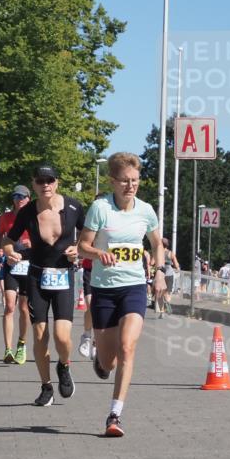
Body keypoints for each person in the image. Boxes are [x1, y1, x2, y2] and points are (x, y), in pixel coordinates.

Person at [77, 152, 165, 437]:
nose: (131, 186)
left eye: (135, 181)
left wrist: (160, 271)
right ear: (113, 181)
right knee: (108, 362)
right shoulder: (100, 208)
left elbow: (156, 243)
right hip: (104, 290)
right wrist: (98, 253)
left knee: (128, 347)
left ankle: (115, 415)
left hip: (134, 287)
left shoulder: (146, 211)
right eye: (125, 181)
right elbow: (82, 246)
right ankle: (100, 360)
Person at [5, 167, 84, 405]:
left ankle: (64, 365)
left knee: (62, 336)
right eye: (41, 181)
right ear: (34, 184)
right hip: (37, 277)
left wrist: (78, 249)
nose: (45, 185)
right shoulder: (28, 212)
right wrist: (10, 253)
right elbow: (8, 240)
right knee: (40, 335)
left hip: (63, 276)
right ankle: (46, 386)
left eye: (50, 180)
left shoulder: (73, 207)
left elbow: (91, 235)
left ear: (57, 182)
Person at [0, 186, 33, 364]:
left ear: (28, 198)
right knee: (10, 306)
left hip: (28, 265)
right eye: (15, 196)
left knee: (24, 308)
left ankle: (22, 343)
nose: (18, 199)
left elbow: (46, 238)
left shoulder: (35, 216)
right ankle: (7, 349)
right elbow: (0, 236)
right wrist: (0, 249)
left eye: (22, 196)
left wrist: (31, 243)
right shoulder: (6, 217)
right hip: (12, 264)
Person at [156, 237, 180, 317]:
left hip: (160, 274)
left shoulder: (158, 252)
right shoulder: (171, 253)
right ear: (167, 245)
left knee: (160, 294)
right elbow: (176, 265)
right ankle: (168, 303)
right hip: (169, 274)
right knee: (168, 293)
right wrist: (176, 268)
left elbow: (152, 262)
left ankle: (161, 311)